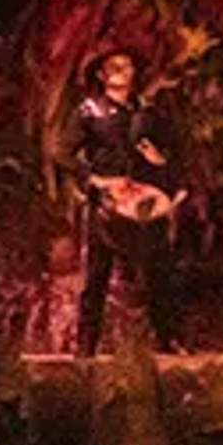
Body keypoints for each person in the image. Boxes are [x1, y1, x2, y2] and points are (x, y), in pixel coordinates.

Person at [63, 49, 185, 354]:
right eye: (114, 66)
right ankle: (85, 347)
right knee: (96, 276)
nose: (122, 70)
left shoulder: (146, 112)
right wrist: (96, 180)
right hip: (106, 203)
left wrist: (160, 162)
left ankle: (168, 340)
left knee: (159, 273)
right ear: (102, 75)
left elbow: (171, 151)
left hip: (142, 203)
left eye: (127, 65)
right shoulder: (89, 112)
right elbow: (61, 152)